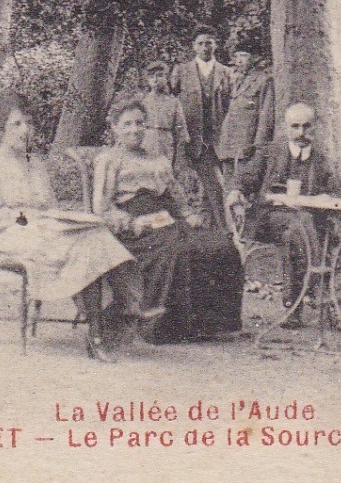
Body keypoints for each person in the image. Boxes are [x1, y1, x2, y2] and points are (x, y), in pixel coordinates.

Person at [0, 94, 154, 363]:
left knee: (94, 234)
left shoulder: (36, 163)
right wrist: (33, 219)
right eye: (16, 124)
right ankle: (101, 328)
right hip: (7, 234)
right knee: (77, 245)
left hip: (42, 229)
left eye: (29, 123)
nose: (25, 130)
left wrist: (56, 219)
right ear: (1, 130)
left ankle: (120, 308)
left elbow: (49, 205)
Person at [93, 99, 243, 342]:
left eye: (140, 123)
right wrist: (131, 223)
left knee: (220, 245)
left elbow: (176, 195)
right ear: (115, 128)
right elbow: (102, 207)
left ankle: (210, 325)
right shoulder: (109, 160)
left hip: (168, 218)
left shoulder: (157, 158)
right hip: (136, 228)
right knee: (177, 251)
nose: (135, 130)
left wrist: (189, 214)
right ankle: (167, 328)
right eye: (127, 124)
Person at [225, 102, 341, 321]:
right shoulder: (270, 153)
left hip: (305, 226)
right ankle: (314, 287)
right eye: (295, 126)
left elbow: (338, 192)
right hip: (268, 221)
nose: (301, 133)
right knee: (300, 224)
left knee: (296, 229)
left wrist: (327, 197)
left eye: (307, 126)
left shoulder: (321, 159)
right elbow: (245, 180)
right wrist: (236, 192)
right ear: (286, 127)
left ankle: (293, 304)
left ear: (315, 127)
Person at [170, 30, 233, 225]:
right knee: (212, 183)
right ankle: (225, 227)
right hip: (194, 138)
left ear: (216, 45)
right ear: (193, 46)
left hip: (219, 138)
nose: (205, 47)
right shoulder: (181, 71)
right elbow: (172, 102)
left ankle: (212, 227)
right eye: (201, 43)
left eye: (209, 43)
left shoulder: (226, 72)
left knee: (212, 186)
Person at [216, 47, 274, 185]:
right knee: (228, 190)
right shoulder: (234, 80)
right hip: (228, 145)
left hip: (246, 148)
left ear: (254, 58)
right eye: (237, 56)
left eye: (243, 55)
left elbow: (266, 117)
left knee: (243, 190)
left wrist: (258, 148)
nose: (239, 60)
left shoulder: (264, 80)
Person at [133, 61, 189, 169]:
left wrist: (178, 159)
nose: (155, 79)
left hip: (166, 143)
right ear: (148, 80)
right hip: (146, 142)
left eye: (159, 75)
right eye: (151, 76)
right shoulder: (142, 101)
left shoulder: (173, 102)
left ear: (166, 78)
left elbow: (181, 132)